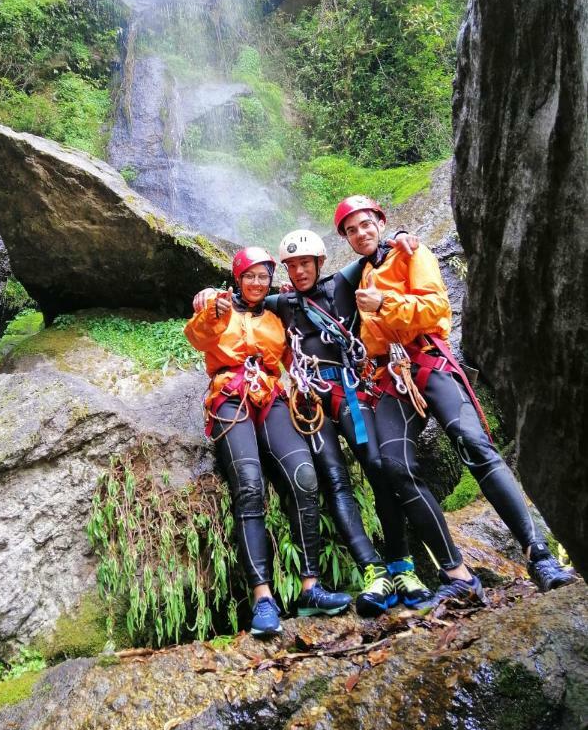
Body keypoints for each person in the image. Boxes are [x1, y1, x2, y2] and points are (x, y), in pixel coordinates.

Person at [334, 194, 575, 602]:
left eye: (366, 224)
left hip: (427, 360)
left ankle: (539, 556)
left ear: (380, 221)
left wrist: (385, 302)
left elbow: (436, 307)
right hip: (390, 376)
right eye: (351, 230)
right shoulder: (354, 276)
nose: (361, 233)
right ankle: (457, 574)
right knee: (395, 467)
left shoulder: (413, 253)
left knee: (474, 443)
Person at [184, 246, 352, 637]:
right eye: (250, 276)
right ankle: (263, 597)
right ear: (237, 278)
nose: (258, 283)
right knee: (249, 486)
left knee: (304, 477)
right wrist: (210, 306)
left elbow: (297, 356)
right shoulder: (220, 308)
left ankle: (311, 588)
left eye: (264, 276)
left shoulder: (277, 316)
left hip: (272, 395)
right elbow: (196, 336)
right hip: (230, 395)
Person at [267, 229, 433, 616]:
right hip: (312, 399)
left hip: (348, 389)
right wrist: (217, 296)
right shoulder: (284, 302)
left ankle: (402, 565)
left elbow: (377, 251)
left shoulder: (342, 284)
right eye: (291, 266)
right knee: (335, 480)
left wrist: (400, 236)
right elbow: (248, 298)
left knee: (378, 467)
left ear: (318, 263)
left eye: (305, 263)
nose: (299, 271)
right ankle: (372, 571)